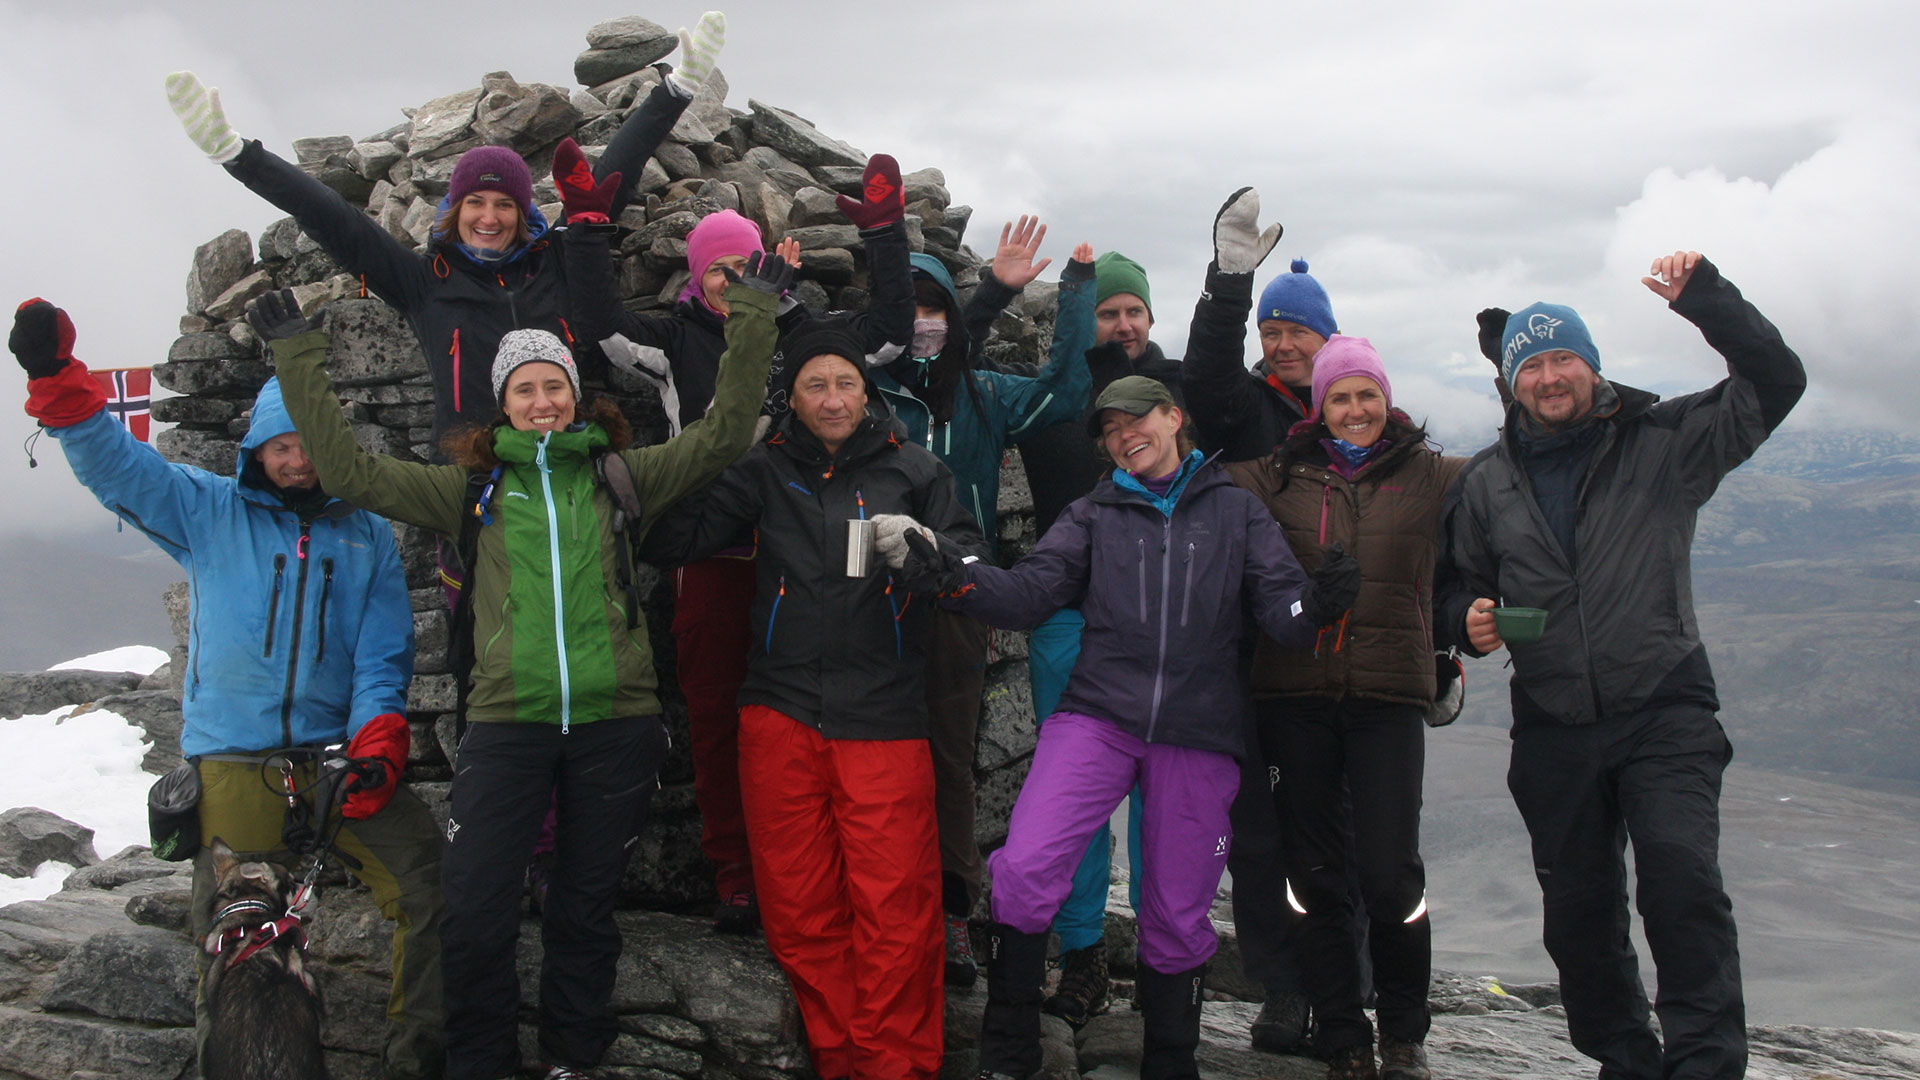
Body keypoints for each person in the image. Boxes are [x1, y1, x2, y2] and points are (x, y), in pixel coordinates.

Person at [266, 248, 781, 1079]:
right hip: (508, 725)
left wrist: (752, 314)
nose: (542, 401)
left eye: (554, 386)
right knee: (475, 911)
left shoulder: (621, 477)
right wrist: (297, 353)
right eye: (525, 389)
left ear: (577, 396)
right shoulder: (466, 490)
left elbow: (724, 434)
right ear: (501, 403)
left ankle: (573, 1061)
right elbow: (352, 471)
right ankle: (481, 1062)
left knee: (584, 912)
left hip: (616, 725)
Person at [11, 298, 443, 1079]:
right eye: (281, 447)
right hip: (234, 765)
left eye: (310, 443)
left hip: (334, 765)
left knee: (426, 885)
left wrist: (379, 731)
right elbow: (121, 467)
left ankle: (418, 1061)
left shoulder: (367, 532)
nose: (298, 460)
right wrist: (57, 382)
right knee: (235, 947)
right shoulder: (209, 512)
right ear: (256, 450)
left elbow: (384, 653)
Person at [893, 375, 1359, 1080]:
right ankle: (1010, 1048)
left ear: (1175, 419)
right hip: (1098, 716)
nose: (1120, 437)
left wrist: (1317, 607)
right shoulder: (1090, 514)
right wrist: (957, 581)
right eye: (1108, 430)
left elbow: (1282, 616)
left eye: (1133, 421)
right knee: (1023, 870)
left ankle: (1170, 1061)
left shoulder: (1237, 512)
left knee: (1175, 915)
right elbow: (1026, 595)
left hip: (1198, 733)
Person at [1440, 252, 1806, 1080]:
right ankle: (1625, 1059)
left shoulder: (1665, 441)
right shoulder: (1487, 484)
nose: (1550, 375)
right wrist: (1463, 618)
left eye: (1563, 356)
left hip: (1663, 707)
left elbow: (1776, 382)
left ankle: (1706, 1062)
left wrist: (1706, 300)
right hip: (1553, 721)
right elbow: (1453, 584)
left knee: (1682, 883)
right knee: (1577, 912)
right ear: (1511, 382)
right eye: (1530, 364)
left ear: (1592, 364)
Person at [558, 148, 914, 931]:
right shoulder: (672, 341)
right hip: (711, 561)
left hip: (802, 555)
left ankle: (812, 873)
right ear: (695, 278)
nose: (729, 282)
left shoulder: (806, 333)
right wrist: (586, 231)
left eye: (743, 266)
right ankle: (736, 873)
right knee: (719, 719)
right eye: (716, 270)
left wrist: (886, 233)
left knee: (811, 724)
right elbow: (598, 330)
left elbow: (889, 337)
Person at [640, 321, 989, 1080]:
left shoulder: (917, 471)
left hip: (885, 718)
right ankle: (845, 1060)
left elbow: (969, 559)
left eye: (845, 384)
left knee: (895, 914)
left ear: (868, 392)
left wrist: (933, 557)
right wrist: (638, 473)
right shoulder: (762, 472)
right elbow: (674, 537)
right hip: (780, 714)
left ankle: (893, 1068)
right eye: (814, 385)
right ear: (792, 399)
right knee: (799, 912)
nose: (832, 400)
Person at [163, 9, 729, 446]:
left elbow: (608, 179)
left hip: (567, 457)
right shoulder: (422, 282)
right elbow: (332, 219)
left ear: (522, 212)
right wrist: (240, 156)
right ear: (454, 213)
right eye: (475, 203)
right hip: (469, 475)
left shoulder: (558, 260)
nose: (489, 217)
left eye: (504, 204)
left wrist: (676, 90)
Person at [1227, 336, 1467, 1080]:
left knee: (1392, 873)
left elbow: (1519, 473)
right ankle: (1341, 1035)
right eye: (1341, 397)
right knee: (1315, 875)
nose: (1356, 409)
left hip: (1389, 699)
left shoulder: (1435, 477)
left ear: (1385, 399)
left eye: (1367, 394)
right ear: (1320, 408)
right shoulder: (1274, 478)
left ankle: (1402, 1031)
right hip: (1293, 697)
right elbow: (1193, 421)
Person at [961, 248, 1187, 1023]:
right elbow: (953, 372)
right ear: (1087, 321)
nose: (1123, 324)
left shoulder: (1182, 393)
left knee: (1166, 802)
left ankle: (1166, 964)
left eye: (1134, 312)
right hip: (1069, 619)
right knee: (1076, 799)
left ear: (1151, 319)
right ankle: (1085, 954)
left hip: (1164, 628)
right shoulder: (1056, 400)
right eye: (1108, 312)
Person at [868, 226, 1095, 986]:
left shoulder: (985, 395)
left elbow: (1067, 392)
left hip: (957, 600)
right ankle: (879, 909)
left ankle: (953, 914)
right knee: (866, 757)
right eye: (913, 309)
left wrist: (1075, 294)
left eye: (938, 309)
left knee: (949, 763)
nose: (924, 322)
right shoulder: (865, 395)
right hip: (866, 600)